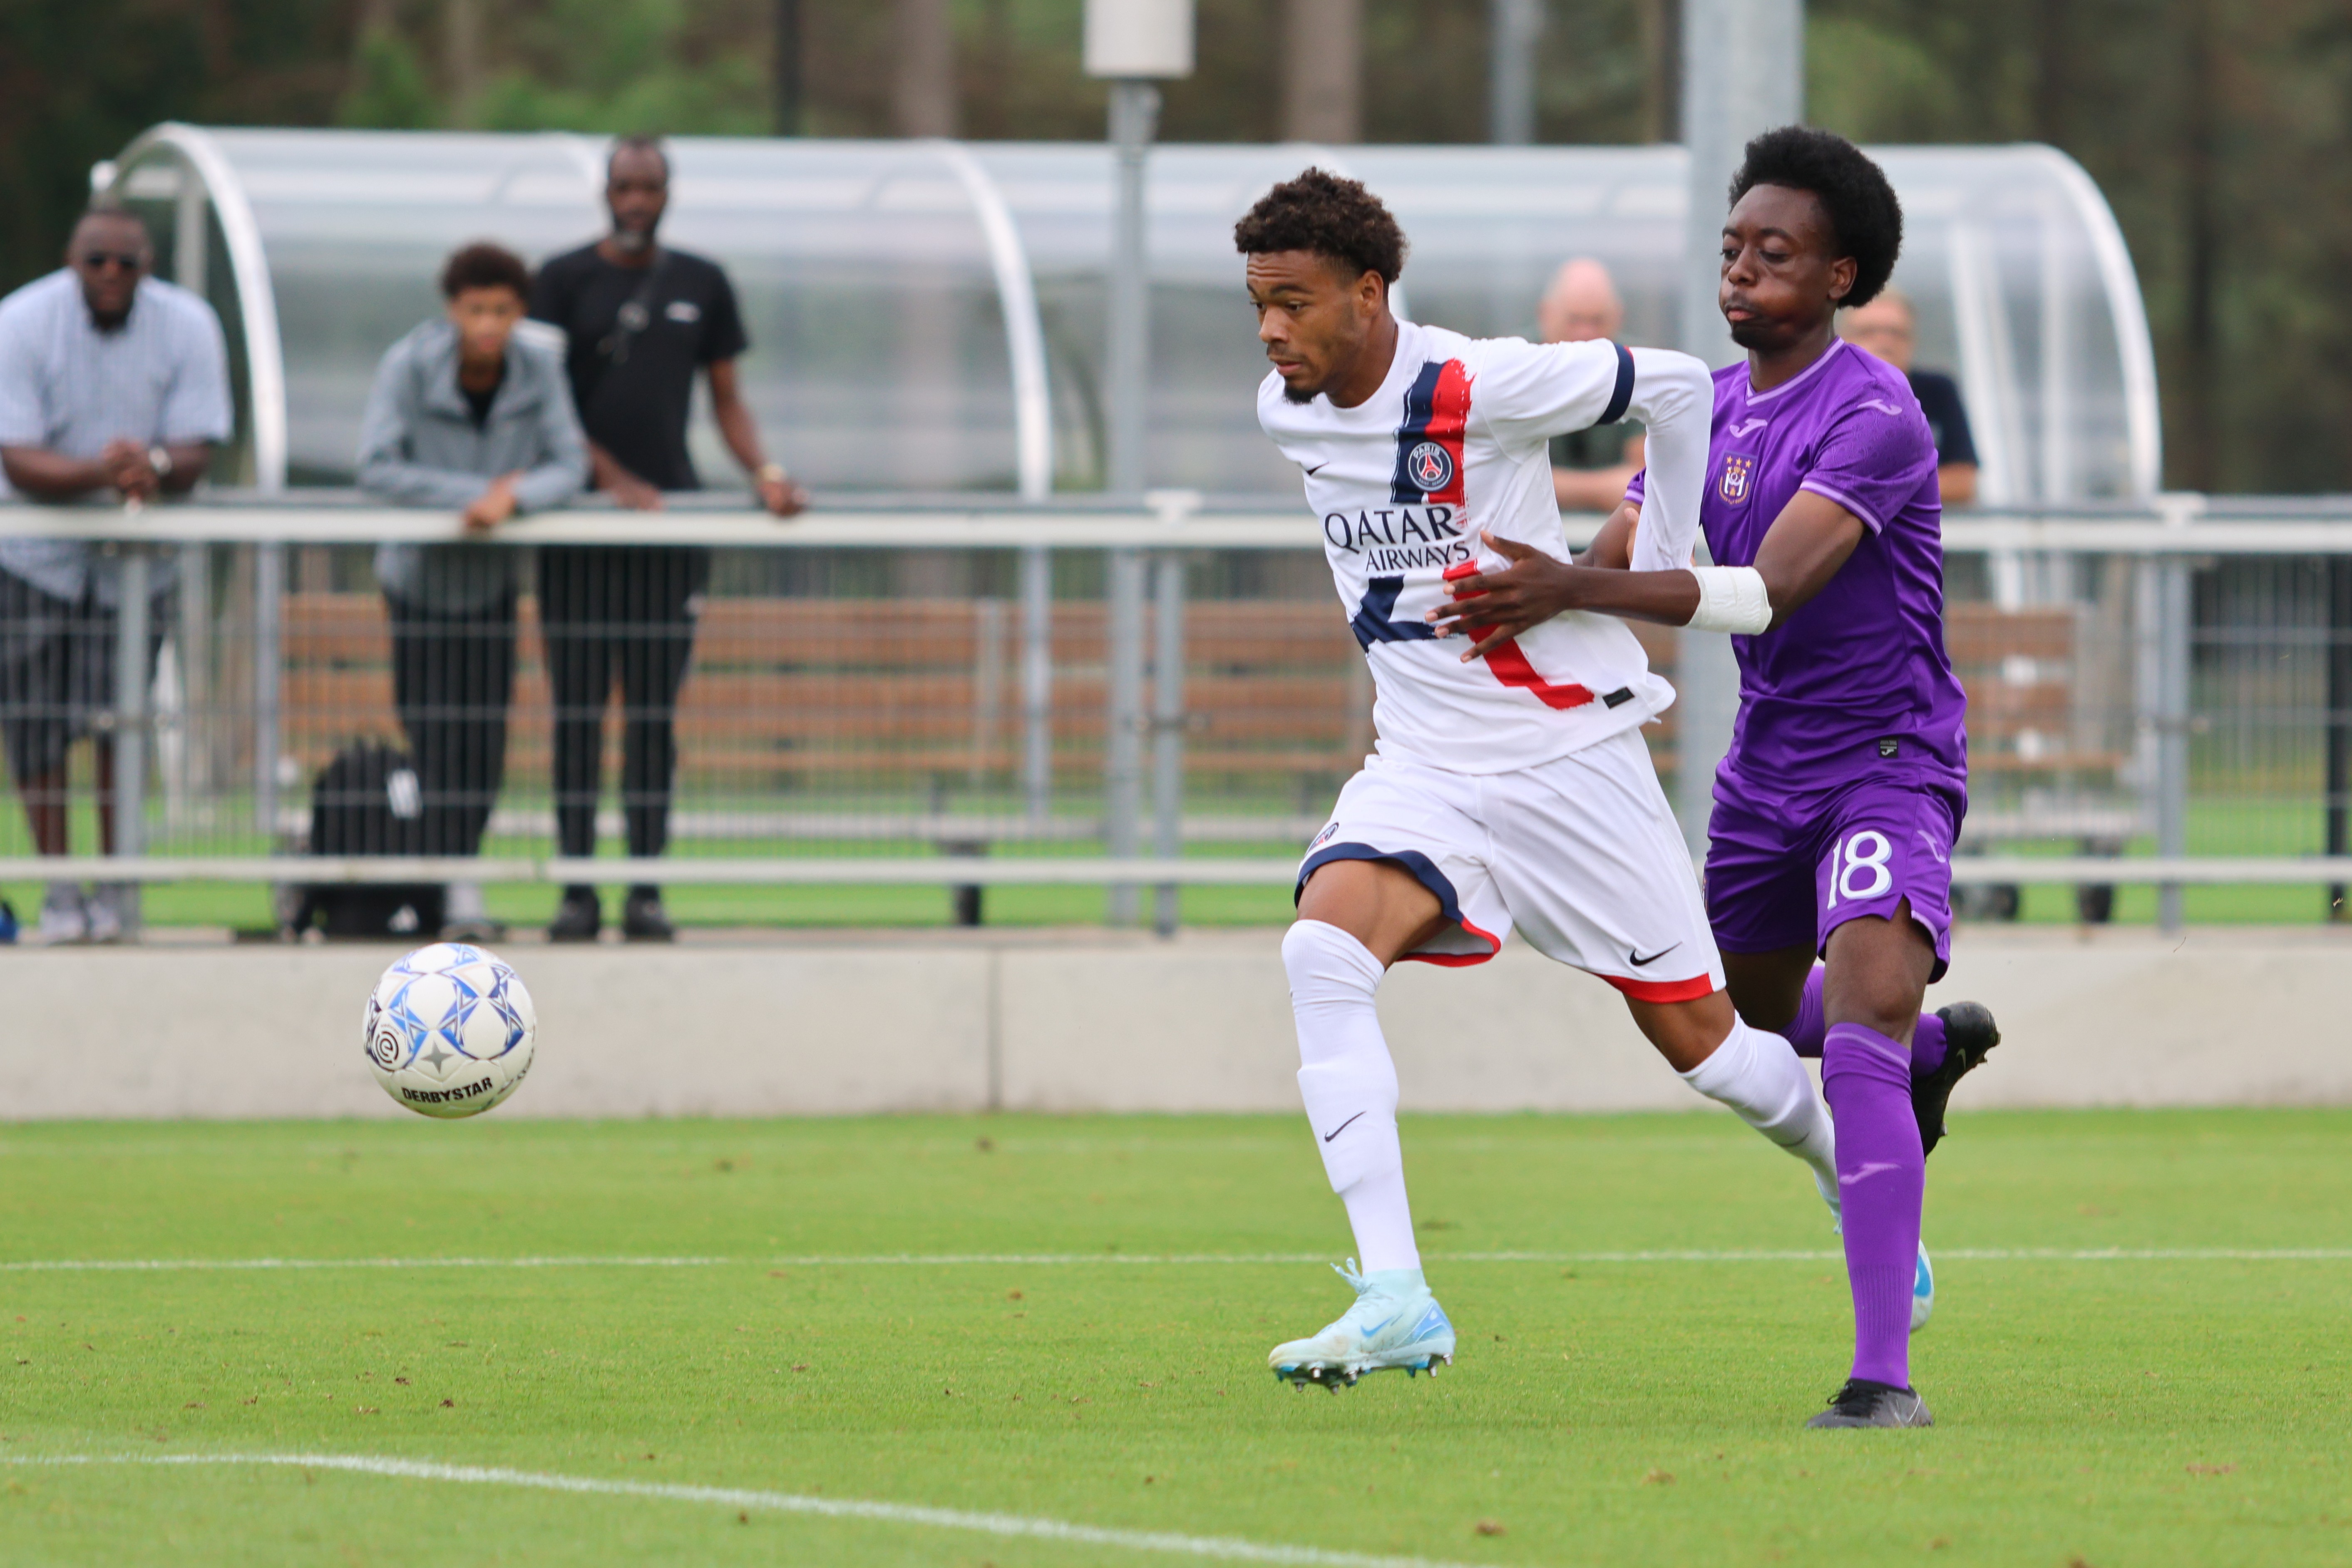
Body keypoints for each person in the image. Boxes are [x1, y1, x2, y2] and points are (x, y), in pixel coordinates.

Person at [1239, 169, 1851, 1391]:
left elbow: (1677, 386)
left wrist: (1665, 551)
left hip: (1566, 762)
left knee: (1708, 1046)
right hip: (1418, 765)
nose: (1270, 331)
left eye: (1294, 302)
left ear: (1367, 294)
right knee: (1319, 953)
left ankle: (1861, 1177)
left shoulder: (1475, 384)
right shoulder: (1285, 406)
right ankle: (1395, 1293)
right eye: (1257, 303)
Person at [1428, 127, 2002, 1429]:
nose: (1741, 270)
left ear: (1839, 274)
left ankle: (1879, 1377)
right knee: (1734, 1017)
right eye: (1732, 248)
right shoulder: (1714, 407)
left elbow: (1766, 588)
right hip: (1762, 772)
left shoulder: (1872, 411)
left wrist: (1573, 582)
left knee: (1847, 1014)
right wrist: (1518, 611)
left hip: (1882, 759)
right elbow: (1625, 537)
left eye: (1774, 252)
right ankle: (1917, 1053)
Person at [528, 134, 807, 944]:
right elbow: (541, 402)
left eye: (649, 187)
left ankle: (644, 889)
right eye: (624, 186)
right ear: (605, 192)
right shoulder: (561, 278)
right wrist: (604, 476)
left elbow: (726, 399)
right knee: (576, 713)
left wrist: (766, 471)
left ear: (668, 192)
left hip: (668, 528)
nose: (636, 200)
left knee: (653, 716)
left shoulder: (702, 282)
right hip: (578, 529)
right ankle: (576, 889)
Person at [0, 204, 231, 944]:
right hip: (33, 559)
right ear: (74, 259)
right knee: (35, 728)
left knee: (118, 726)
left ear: (146, 266)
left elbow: (196, 450)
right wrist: (107, 474)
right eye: (96, 259)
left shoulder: (189, 324)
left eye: (125, 263)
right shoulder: (23, 321)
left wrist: (153, 465)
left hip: (135, 571)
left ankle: (116, 888)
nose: (110, 274)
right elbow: (17, 455)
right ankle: (58, 890)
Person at [358, 242, 586, 942]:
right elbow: (377, 464)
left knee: (483, 741)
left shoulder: (540, 363)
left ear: (520, 311)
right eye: (477, 309)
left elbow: (568, 461)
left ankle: (459, 878)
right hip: (418, 583)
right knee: (431, 734)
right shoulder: (408, 365)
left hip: (490, 587)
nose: (489, 323)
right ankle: (446, 885)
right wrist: (471, 498)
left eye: (504, 309)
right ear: (453, 309)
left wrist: (512, 499)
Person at [1840, 288, 1978, 505]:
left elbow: (1963, 482)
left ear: (1912, 341)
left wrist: (1874, 492)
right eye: (1869, 332)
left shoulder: (1938, 392)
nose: (1885, 343)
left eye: (1896, 333)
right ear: (1844, 339)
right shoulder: (1823, 398)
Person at [1538, 259, 1649, 513]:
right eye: (1574, 320)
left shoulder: (1640, 368)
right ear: (1545, 315)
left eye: (1597, 321)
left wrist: (1543, 484)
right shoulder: (1512, 366)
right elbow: (1497, 480)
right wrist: (1605, 488)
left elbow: (1645, 480)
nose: (1585, 334)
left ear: (1619, 317)